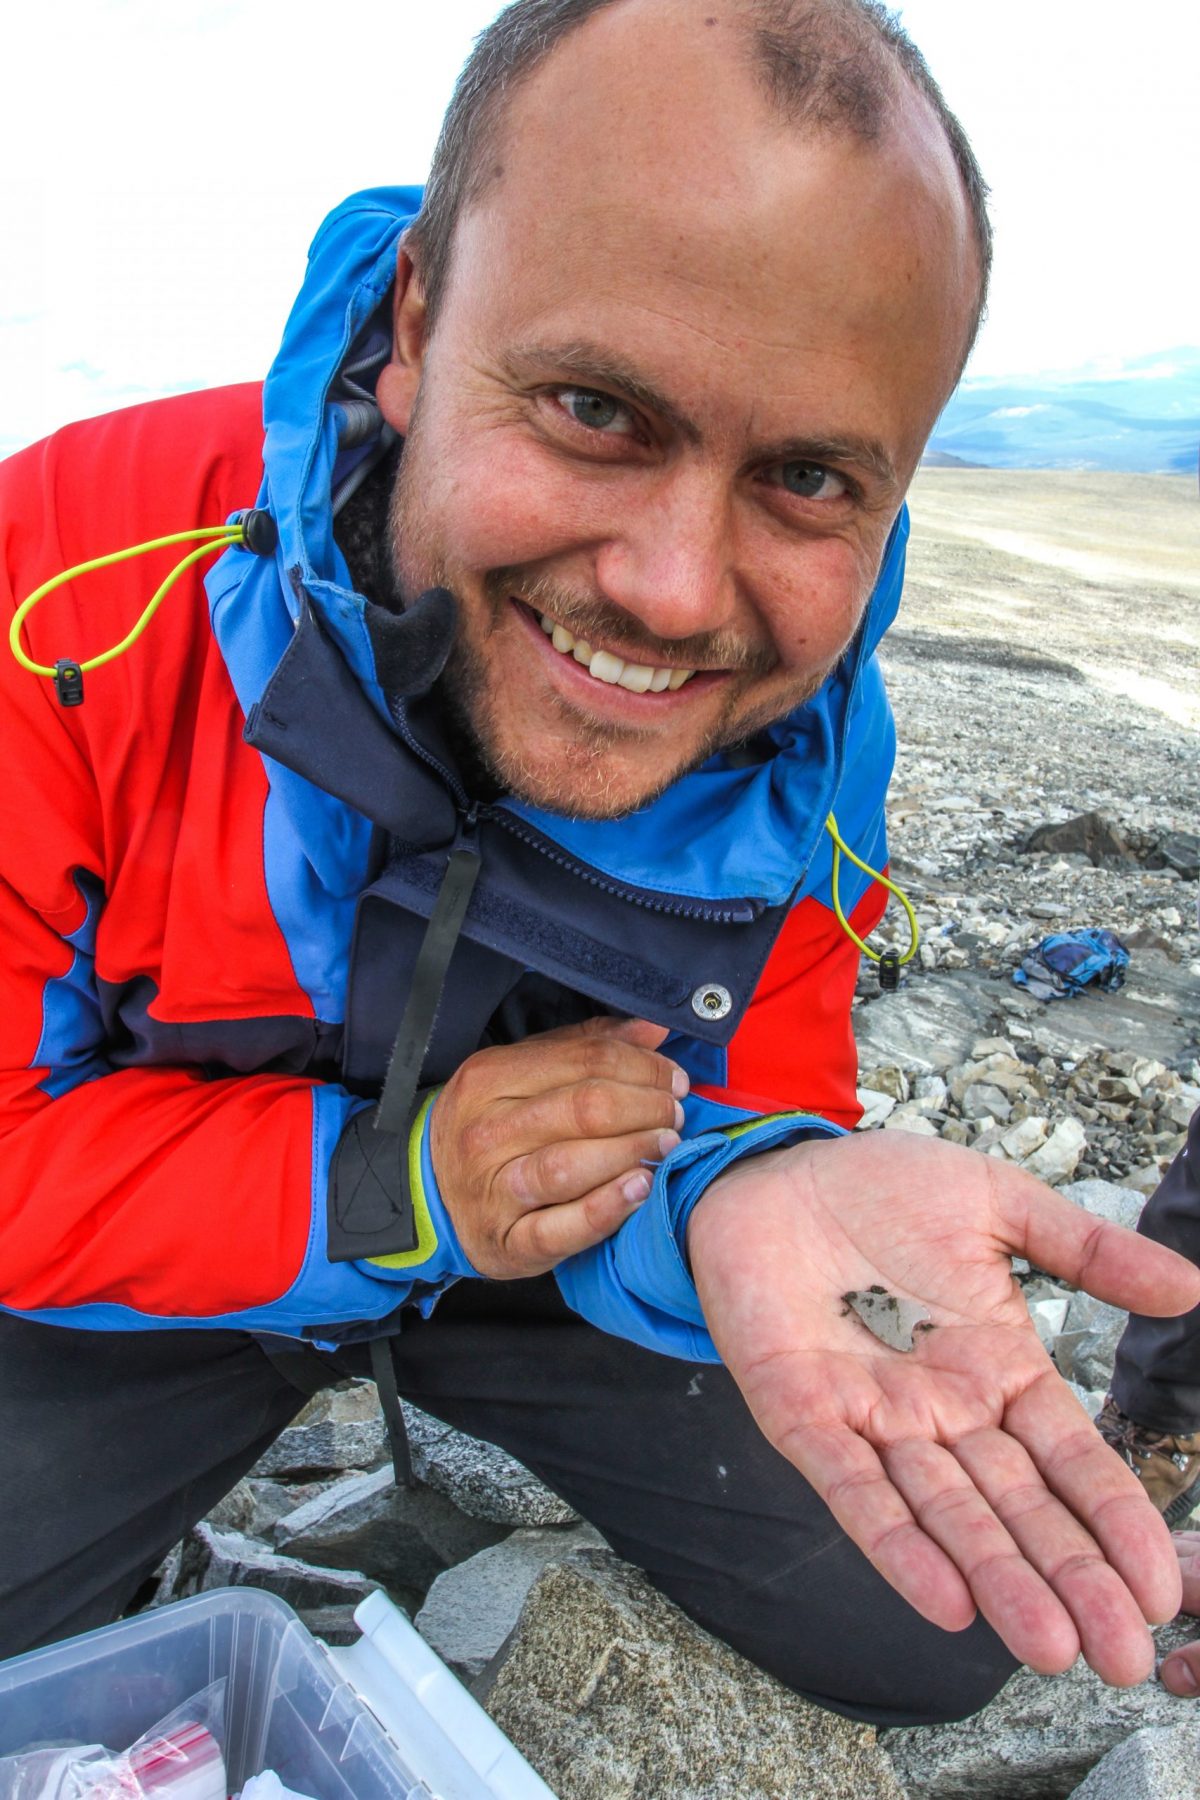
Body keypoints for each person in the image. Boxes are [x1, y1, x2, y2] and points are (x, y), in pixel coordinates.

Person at [2, 0, 1198, 1726]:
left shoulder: (807, 721)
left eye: (804, 481)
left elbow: (749, 1085)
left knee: (934, 1614)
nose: (674, 592)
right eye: (592, 409)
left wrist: (747, 1187)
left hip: (545, 1257)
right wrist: (392, 1187)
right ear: (417, 319)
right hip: (168, 1263)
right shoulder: (68, 586)